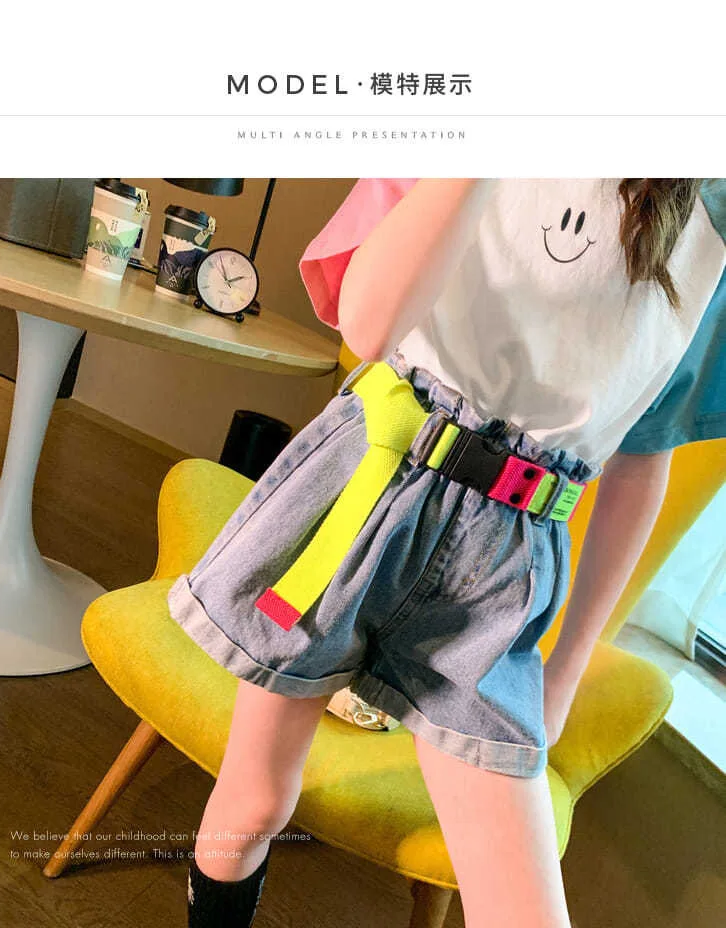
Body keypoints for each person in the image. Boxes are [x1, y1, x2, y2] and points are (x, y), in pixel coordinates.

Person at [169, 178, 726, 927]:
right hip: (368, 486)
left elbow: (642, 461)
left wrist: (565, 671)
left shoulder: (712, 219)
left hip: (506, 564)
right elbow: (369, 325)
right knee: (255, 802)